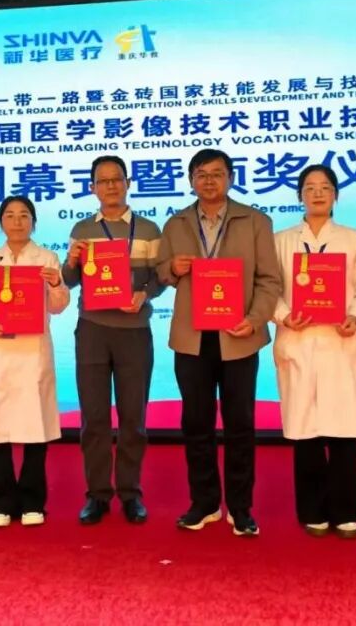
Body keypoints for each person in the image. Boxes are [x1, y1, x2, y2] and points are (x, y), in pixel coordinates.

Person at [156, 148, 281, 537]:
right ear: (191, 180)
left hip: (238, 336)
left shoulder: (255, 220)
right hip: (192, 338)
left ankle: (240, 508)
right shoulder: (176, 223)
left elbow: (269, 280)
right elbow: (161, 272)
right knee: (196, 423)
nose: (209, 181)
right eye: (201, 174)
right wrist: (171, 268)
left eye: (216, 173)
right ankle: (205, 502)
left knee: (240, 424)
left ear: (230, 177)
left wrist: (254, 319)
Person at [273, 164, 356, 539]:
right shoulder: (281, 240)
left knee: (343, 430)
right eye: (310, 187)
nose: (317, 193)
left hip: (340, 341)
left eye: (325, 187)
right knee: (306, 433)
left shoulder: (352, 238)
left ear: (335, 195)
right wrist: (284, 316)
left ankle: (346, 510)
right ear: (300, 195)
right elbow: (269, 289)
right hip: (298, 342)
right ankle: (313, 510)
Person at [62, 155, 163, 525]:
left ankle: (131, 493)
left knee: (134, 417)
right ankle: (97, 495)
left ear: (127, 183)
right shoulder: (82, 229)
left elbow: (161, 276)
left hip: (134, 331)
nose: (110, 186)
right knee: (94, 418)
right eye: (102, 181)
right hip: (92, 329)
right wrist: (71, 261)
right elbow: (70, 280)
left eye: (116, 179)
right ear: (92, 188)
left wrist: (145, 293)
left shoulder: (148, 229)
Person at [0, 195, 69, 527]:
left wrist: (56, 284)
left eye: (24, 215)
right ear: (1, 222)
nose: (17, 221)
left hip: (32, 354)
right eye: (10, 215)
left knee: (34, 427)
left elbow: (58, 306)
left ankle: (32, 501)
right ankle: (2, 502)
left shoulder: (47, 258)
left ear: (33, 222)